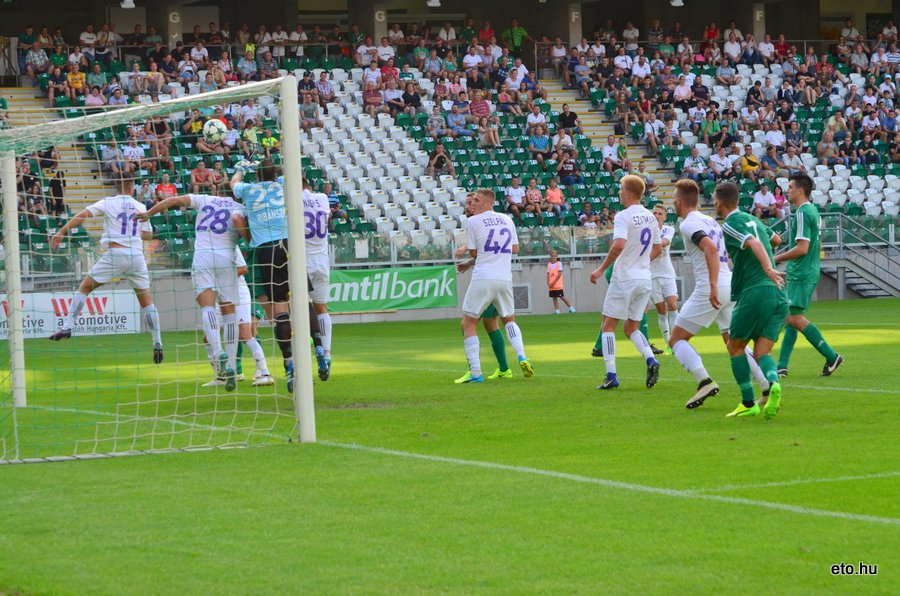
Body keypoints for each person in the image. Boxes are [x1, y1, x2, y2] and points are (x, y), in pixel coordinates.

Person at [668, 180, 772, 409]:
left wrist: (712, 285)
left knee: (675, 340)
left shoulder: (688, 224)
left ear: (678, 201)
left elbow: (711, 249)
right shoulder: (709, 220)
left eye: (673, 200)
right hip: (729, 281)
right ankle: (766, 385)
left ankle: (703, 380)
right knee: (733, 341)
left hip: (711, 286)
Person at [137, 190, 252, 391]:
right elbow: (246, 233)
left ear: (218, 191)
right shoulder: (239, 207)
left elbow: (173, 200)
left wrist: (148, 213)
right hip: (227, 257)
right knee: (229, 313)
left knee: (207, 307)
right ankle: (232, 365)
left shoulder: (204, 200)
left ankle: (218, 353)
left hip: (203, 257)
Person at [231, 160, 328, 391]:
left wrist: (240, 170)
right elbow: (292, 173)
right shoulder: (285, 183)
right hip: (289, 244)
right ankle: (320, 348)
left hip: (266, 250)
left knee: (280, 309)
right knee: (304, 301)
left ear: (256, 175)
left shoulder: (248, 189)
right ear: (275, 174)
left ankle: (289, 363)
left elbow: (234, 183)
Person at [47, 175, 163, 364]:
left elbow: (82, 215)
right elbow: (148, 235)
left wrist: (61, 231)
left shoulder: (108, 202)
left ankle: (68, 326)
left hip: (116, 254)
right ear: (132, 186)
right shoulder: (141, 207)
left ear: (116, 186)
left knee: (85, 287)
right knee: (147, 301)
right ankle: (157, 341)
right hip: (137, 257)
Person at [715, 182, 787, 418]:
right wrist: (769, 265)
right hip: (778, 294)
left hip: (756, 291)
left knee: (735, 346)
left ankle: (748, 402)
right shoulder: (755, 220)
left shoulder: (731, 224)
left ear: (718, 202)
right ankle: (773, 382)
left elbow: (754, 243)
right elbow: (776, 240)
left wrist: (766, 268)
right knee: (762, 352)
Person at [589, 175, 662, 390]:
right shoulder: (650, 216)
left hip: (625, 278)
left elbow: (619, 244)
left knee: (608, 325)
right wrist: (640, 261)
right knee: (631, 327)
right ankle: (651, 359)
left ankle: (611, 374)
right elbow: (657, 247)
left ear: (628, 193)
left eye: (621, 189)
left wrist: (601, 269)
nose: (619, 192)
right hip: (644, 278)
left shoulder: (623, 215)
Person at [458, 188, 533, 383]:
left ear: (488, 203)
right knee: (509, 320)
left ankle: (475, 373)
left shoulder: (473, 221)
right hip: (505, 278)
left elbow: (475, 253)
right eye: (472, 200)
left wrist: (469, 251)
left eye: (476, 200)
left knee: (468, 322)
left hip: (484, 277)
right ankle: (522, 356)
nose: (472, 203)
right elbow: (515, 248)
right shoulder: (507, 219)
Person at [774, 174, 843, 377]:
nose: (787, 190)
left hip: (802, 273)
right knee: (791, 318)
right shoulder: (811, 210)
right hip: (803, 270)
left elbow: (802, 248)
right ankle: (782, 366)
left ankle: (831, 356)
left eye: (790, 187)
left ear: (800, 190)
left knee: (793, 317)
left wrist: (776, 259)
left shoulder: (803, 213)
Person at [302, 181, 334, 378]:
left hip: (302, 261)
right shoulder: (322, 198)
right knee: (322, 308)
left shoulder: (294, 199)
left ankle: (309, 347)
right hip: (321, 259)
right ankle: (327, 352)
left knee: (300, 308)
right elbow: (329, 216)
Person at [649, 204, 678, 351]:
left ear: (665, 216)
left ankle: (676, 342)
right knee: (661, 310)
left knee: (673, 305)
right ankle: (668, 344)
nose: (657, 216)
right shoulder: (646, 231)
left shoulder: (669, 229)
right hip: (652, 275)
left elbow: (665, 242)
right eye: (654, 213)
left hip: (667, 273)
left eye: (660, 213)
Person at [547, 250, 576, 314]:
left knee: (561, 296)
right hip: (551, 285)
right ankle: (557, 311)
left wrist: (554, 282)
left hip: (557, 285)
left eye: (555, 256)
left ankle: (571, 308)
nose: (553, 257)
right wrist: (548, 282)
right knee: (554, 298)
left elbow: (559, 274)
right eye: (552, 256)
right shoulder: (549, 265)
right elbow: (548, 274)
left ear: (557, 256)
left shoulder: (559, 264)